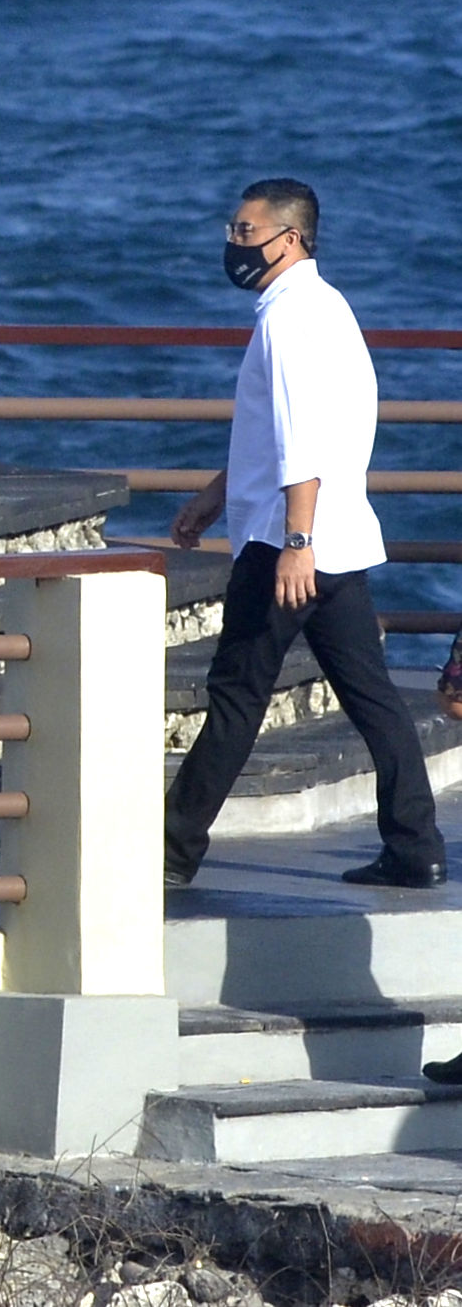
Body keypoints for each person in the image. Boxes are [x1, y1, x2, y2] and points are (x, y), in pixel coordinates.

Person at [162, 177, 442, 889]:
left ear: (289, 237)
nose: (233, 245)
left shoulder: (286, 322)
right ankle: (415, 846)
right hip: (338, 543)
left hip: (289, 549)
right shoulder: (329, 308)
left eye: (245, 233)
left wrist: (294, 542)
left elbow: (301, 441)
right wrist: (211, 498)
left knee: (233, 698)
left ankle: (168, 856)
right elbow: (272, 437)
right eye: (230, 230)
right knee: (373, 697)